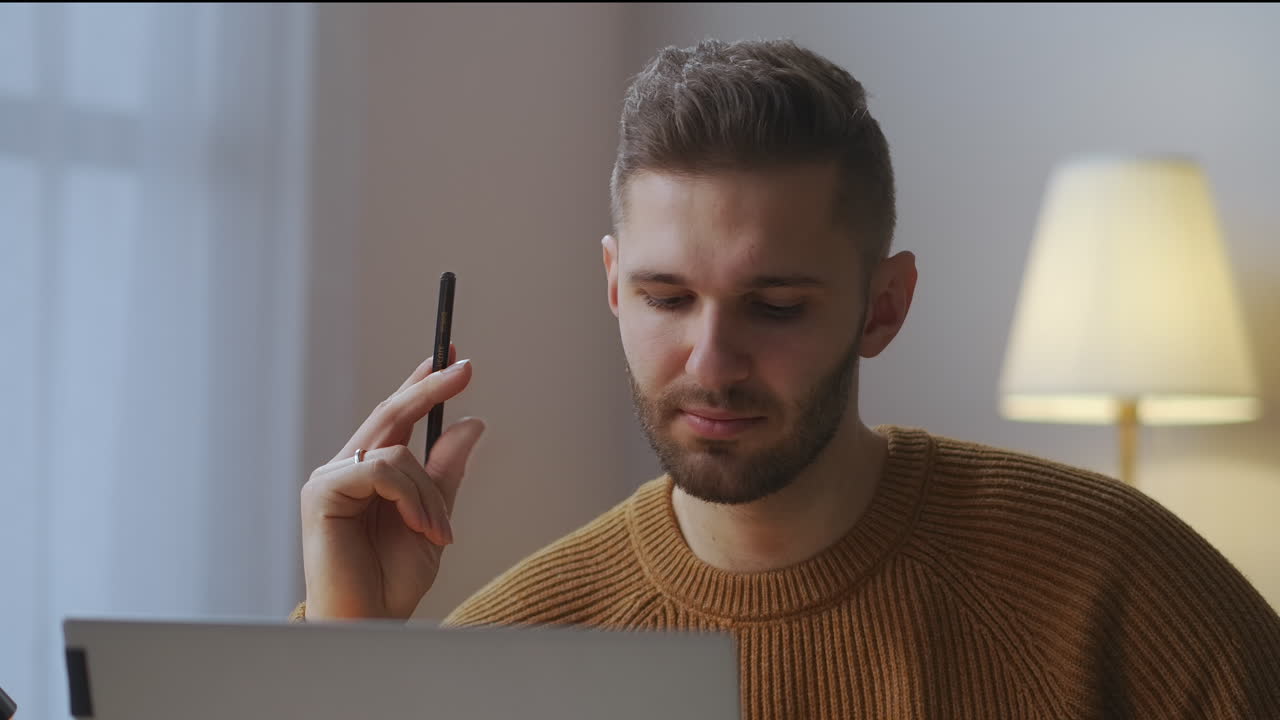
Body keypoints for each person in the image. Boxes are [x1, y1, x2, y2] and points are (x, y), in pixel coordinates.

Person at [292, 37, 1280, 718]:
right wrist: (349, 653)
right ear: (610, 287)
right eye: (666, 298)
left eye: (773, 306)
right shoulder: (525, 641)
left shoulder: (1108, 579)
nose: (709, 363)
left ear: (881, 306)